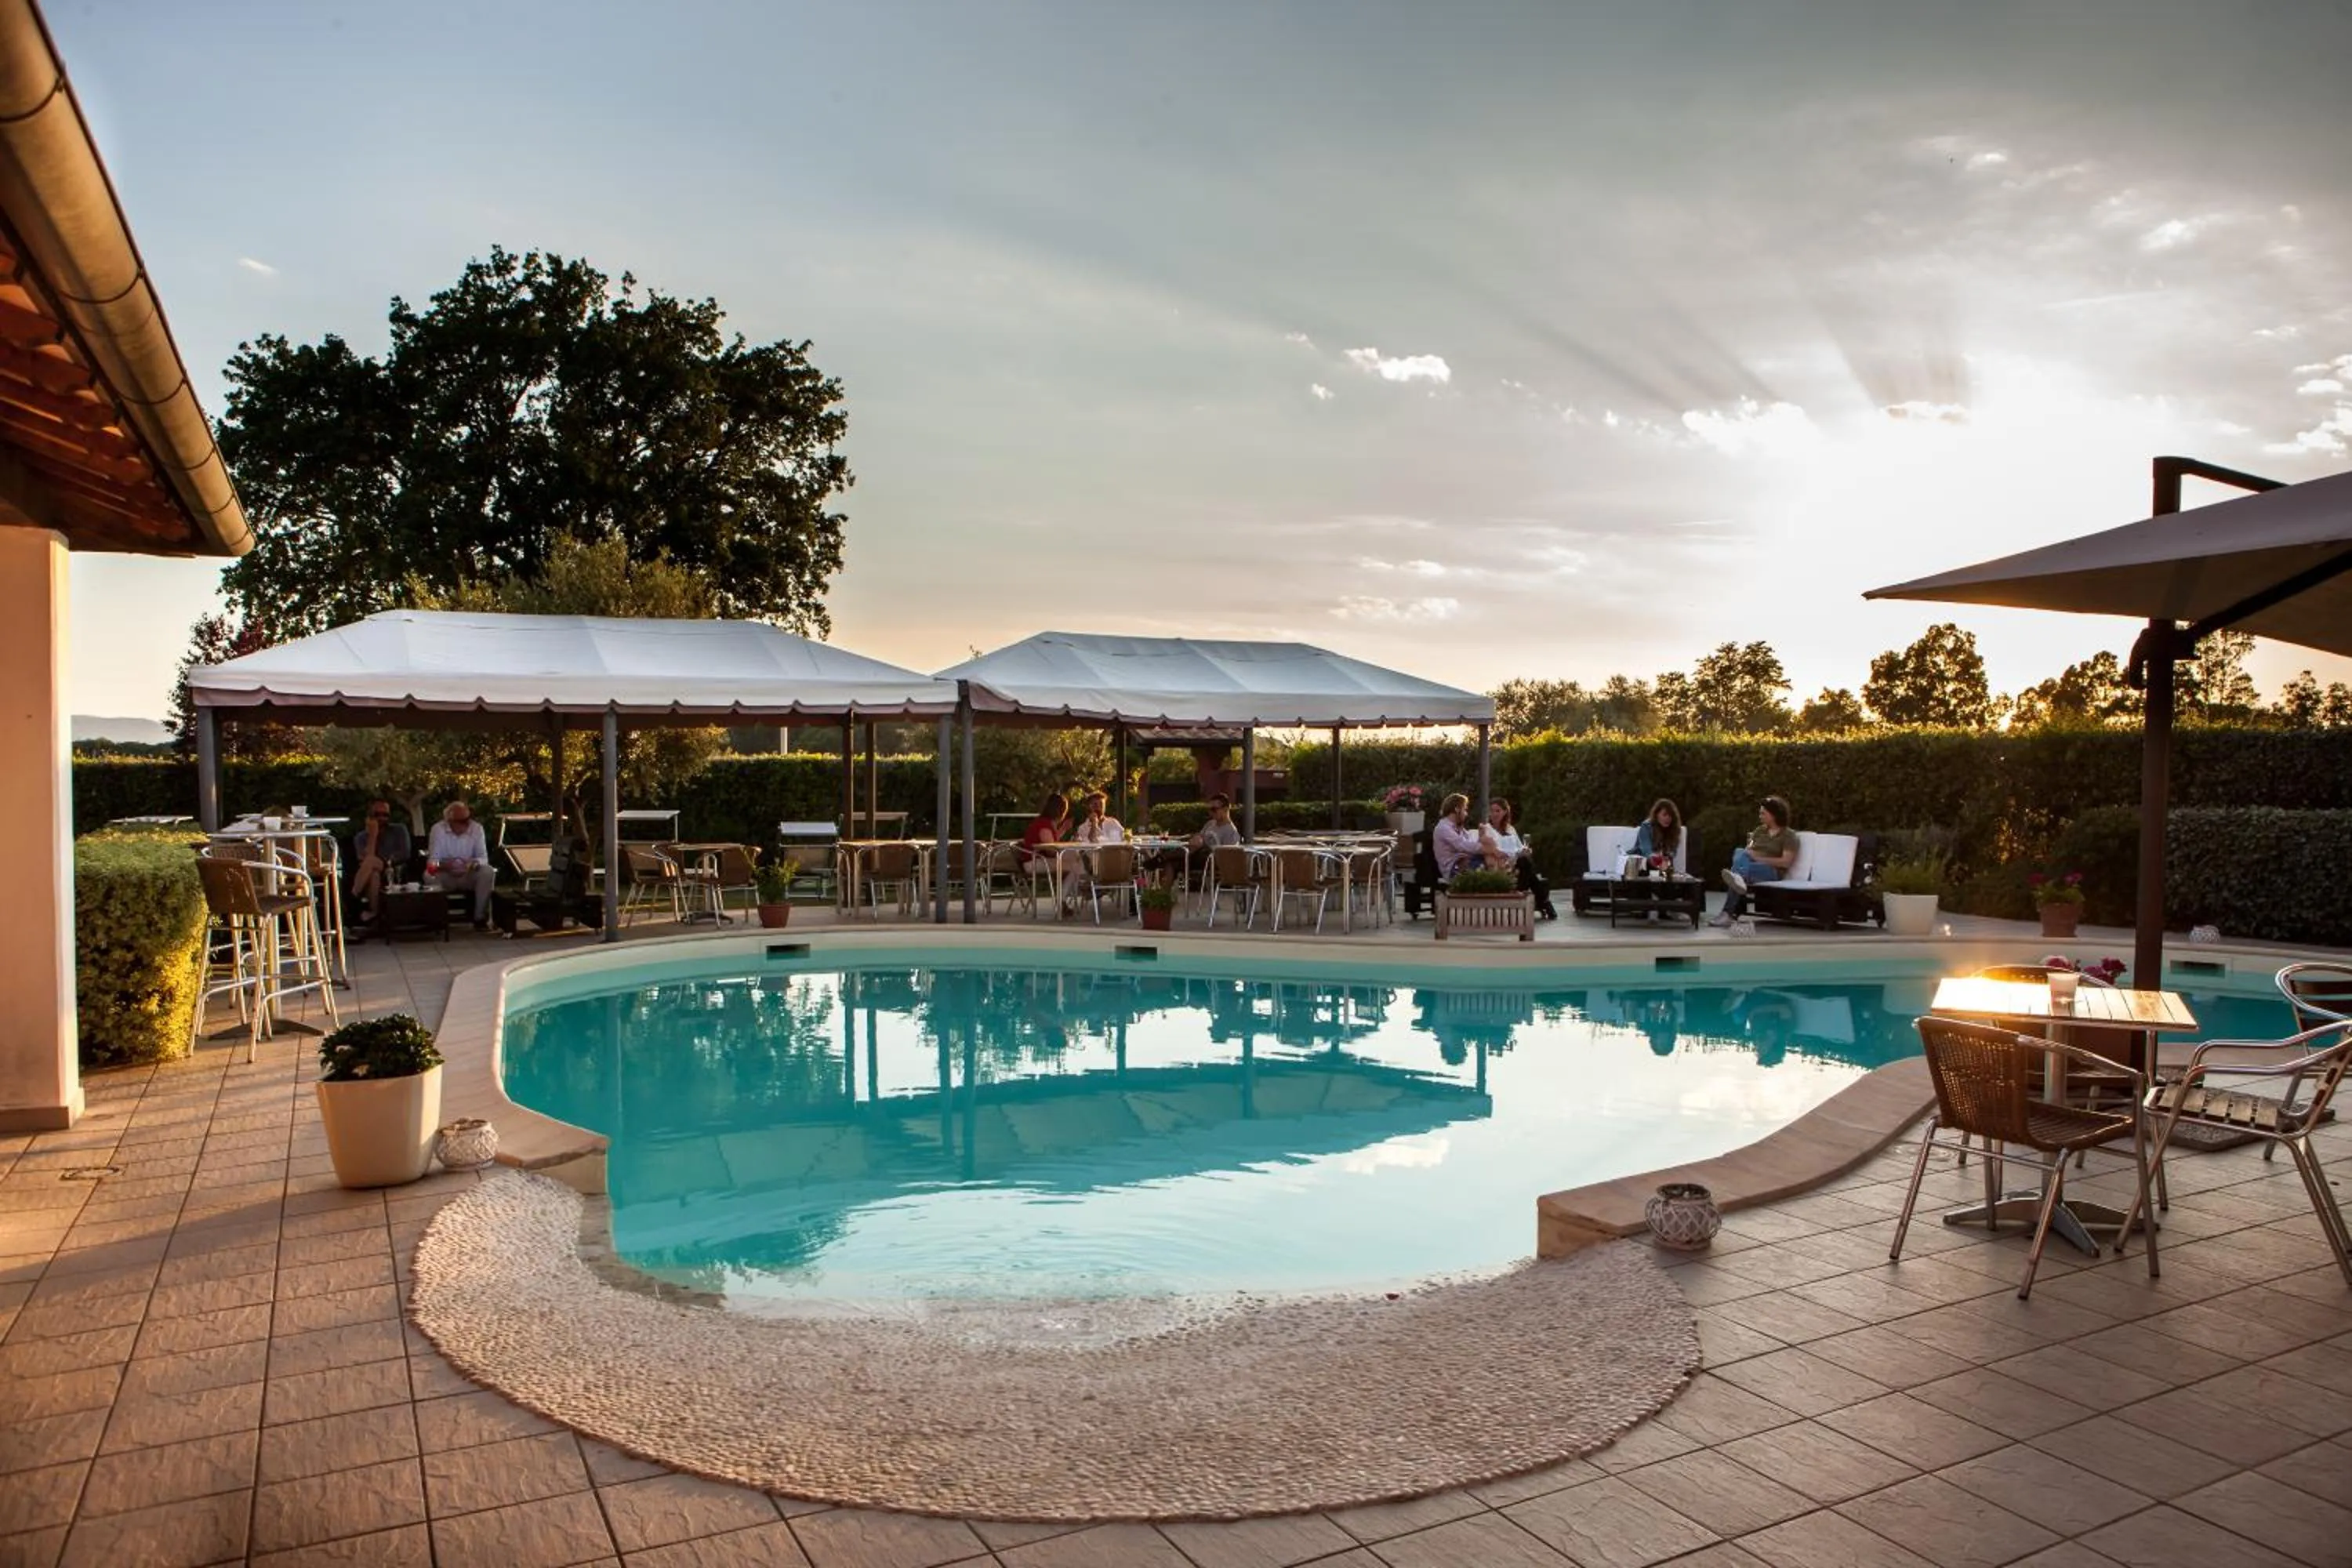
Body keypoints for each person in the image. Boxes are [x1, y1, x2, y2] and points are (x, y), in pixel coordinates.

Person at [1713, 794, 1798, 926]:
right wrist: (1750, 854)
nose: (1760, 816)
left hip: (1773, 871)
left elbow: (1785, 862)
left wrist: (1758, 858)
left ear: (1774, 815)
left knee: (1738, 873)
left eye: (1763, 814)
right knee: (1739, 852)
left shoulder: (1789, 836)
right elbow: (1748, 850)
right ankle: (1739, 878)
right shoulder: (1759, 831)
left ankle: (1728, 912)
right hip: (1751, 866)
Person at [1479, 797, 1557, 919]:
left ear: (1505, 812)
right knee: (1527, 866)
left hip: (1517, 866)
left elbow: (1520, 847)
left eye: (1498, 811)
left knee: (1525, 861)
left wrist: (1525, 851)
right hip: (1501, 866)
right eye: (1492, 811)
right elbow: (1497, 852)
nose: (1494, 814)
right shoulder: (1487, 829)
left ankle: (1538, 900)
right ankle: (1545, 903)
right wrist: (1516, 853)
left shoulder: (1510, 829)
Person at [426, 800, 496, 929]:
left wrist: (472, 863)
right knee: (429, 874)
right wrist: (445, 865)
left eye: (467, 819)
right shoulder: (438, 830)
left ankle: (480, 918)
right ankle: (438, 918)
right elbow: (432, 862)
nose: (467, 824)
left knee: (487, 872)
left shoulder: (477, 829)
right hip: (446, 875)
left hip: (468, 874)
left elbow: (483, 858)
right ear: (449, 821)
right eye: (462, 821)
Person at [347, 800, 412, 924]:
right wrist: (373, 836)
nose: (382, 818)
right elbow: (362, 861)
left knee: (372, 861)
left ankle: (352, 898)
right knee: (374, 874)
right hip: (369, 874)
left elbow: (405, 853)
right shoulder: (361, 837)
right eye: (377, 815)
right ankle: (374, 913)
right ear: (370, 817)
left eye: (385, 815)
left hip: (393, 869)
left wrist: (384, 860)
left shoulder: (399, 830)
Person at [1431, 793, 1480, 883]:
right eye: (1465, 810)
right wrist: (1485, 848)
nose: (1466, 814)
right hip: (1453, 870)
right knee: (1485, 861)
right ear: (1457, 809)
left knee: (1488, 859)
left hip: (1462, 864)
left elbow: (1470, 842)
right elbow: (1462, 845)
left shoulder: (1458, 828)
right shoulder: (1443, 828)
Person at [1632, 799, 1684, 869]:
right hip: (1641, 863)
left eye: (1671, 816)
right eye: (1664, 815)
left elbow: (1673, 852)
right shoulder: (1647, 826)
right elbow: (1646, 850)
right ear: (1656, 815)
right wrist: (1657, 859)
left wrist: (1666, 858)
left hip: (1663, 865)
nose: (1668, 818)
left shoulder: (1674, 830)